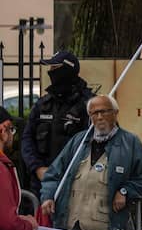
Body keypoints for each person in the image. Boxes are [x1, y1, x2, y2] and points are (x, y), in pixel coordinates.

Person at [38, 95, 142, 230]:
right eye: (94, 113)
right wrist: (48, 196)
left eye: (104, 111)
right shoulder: (78, 141)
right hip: (70, 227)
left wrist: (124, 191)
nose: (99, 117)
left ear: (115, 113)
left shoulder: (130, 143)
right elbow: (54, 174)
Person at [21, 51, 94, 188]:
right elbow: (27, 138)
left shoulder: (90, 104)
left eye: (54, 68)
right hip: (42, 183)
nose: (50, 72)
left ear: (67, 70)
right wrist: (37, 168)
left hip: (76, 184)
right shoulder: (43, 104)